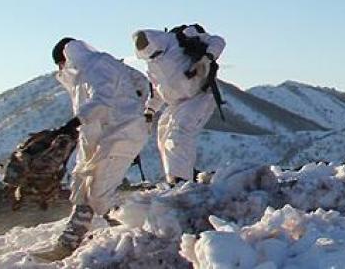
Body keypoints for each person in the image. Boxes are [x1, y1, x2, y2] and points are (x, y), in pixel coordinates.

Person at [34, 38, 150, 261]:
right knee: (82, 186)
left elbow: (102, 101)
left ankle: (141, 234)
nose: (61, 70)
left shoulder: (95, 66)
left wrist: (74, 123)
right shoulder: (93, 67)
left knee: (98, 192)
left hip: (120, 134)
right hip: (104, 136)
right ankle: (69, 242)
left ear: (64, 58)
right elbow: (141, 82)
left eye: (60, 65)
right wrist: (139, 107)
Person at [133, 24, 226, 185]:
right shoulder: (152, 64)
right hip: (175, 104)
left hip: (198, 96)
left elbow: (218, 41)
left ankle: (181, 181)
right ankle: (179, 176)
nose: (153, 55)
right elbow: (158, 90)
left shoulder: (183, 37)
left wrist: (207, 58)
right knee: (163, 137)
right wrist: (150, 110)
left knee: (179, 134)